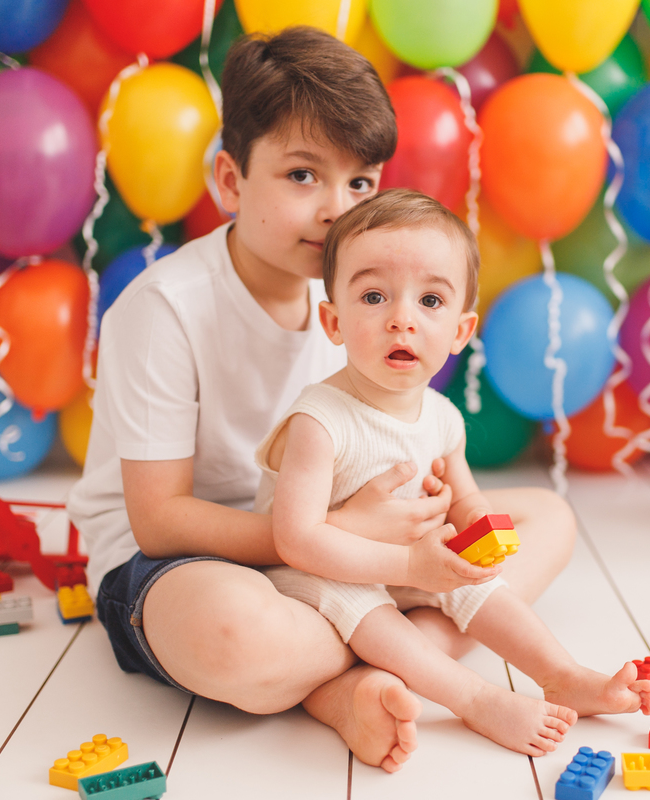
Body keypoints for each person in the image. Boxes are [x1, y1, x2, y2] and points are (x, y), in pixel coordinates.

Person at [67, 27, 579, 773]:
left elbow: (388, 435)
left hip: (339, 553)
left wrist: (417, 514)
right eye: (303, 176)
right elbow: (159, 519)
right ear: (231, 182)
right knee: (237, 636)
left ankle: (362, 676)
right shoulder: (165, 309)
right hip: (184, 561)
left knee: (549, 520)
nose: (337, 208)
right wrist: (368, 543)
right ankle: (375, 665)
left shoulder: (354, 299)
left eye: (360, 182)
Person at [254, 189, 650, 756]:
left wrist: (477, 537)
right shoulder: (319, 421)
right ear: (333, 320)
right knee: (366, 610)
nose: (401, 319)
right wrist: (408, 564)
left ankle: (563, 674)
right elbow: (294, 540)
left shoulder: (442, 417)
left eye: (430, 301)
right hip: (320, 573)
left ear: (461, 333)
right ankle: (475, 700)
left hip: (408, 560)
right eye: (373, 296)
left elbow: (464, 498)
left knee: (481, 588)